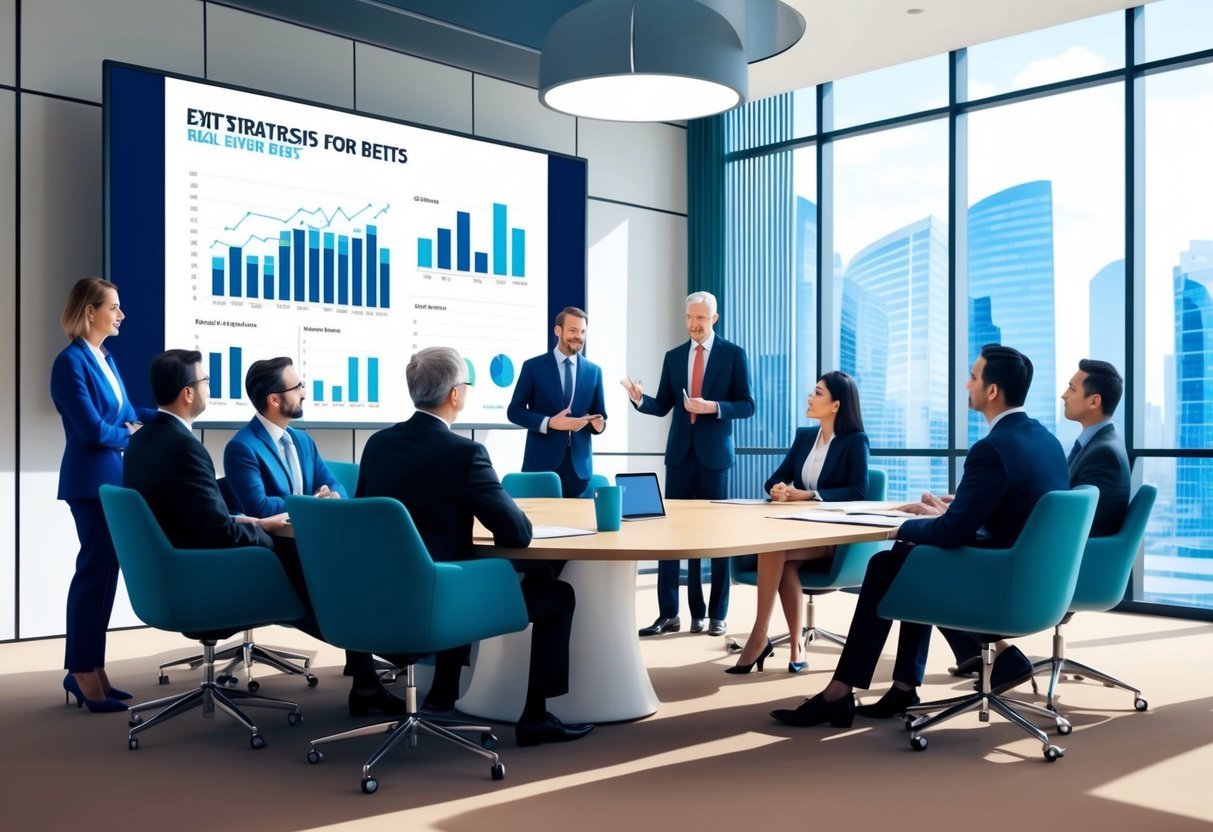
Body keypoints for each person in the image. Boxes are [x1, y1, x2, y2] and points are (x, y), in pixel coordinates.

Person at [769, 345, 1068, 727]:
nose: (967, 384)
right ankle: (903, 686)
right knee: (909, 558)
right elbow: (1017, 507)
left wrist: (898, 525)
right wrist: (953, 508)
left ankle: (840, 692)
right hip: (1034, 576)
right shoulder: (1044, 440)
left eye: (974, 377)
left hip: (1000, 580)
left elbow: (951, 533)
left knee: (892, 560)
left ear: (992, 392)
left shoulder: (992, 448)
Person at [125, 350, 402, 717]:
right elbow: (226, 521)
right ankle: (392, 653)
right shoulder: (195, 447)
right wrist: (266, 531)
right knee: (329, 576)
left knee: (329, 571)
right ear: (188, 393)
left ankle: (370, 661)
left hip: (180, 567)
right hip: (208, 573)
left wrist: (305, 506)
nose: (304, 392)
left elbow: (207, 518)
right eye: (206, 382)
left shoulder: (141, 441)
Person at [357, 346, 594, 747]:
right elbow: (516, 534)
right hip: (440, 605)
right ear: (455, 395)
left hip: (376, 601)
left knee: (455, 563)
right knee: (556, 594)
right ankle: (535, 718)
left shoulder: (377, 445)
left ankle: (444, 692)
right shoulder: (464, 453)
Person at [942, 358, 1132, 677]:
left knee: (938, 559)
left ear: (1094, 401)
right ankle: (977, 654)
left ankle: (994, 656)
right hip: (1066, 557)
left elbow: (1076, 524)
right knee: (942, 549)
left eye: (1072, 388)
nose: (1063, 395)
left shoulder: (1103, 454)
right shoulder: (1094, 445)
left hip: (1068, 566)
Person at [51, 277, 156, 712]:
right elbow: (93, 430)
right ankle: (79, 671)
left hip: (114, 483)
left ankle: (93, 668)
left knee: (105, 575)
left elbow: (127, 415)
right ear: (90, 311)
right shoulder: (69, 363)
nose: (121, 315)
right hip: (89, 484)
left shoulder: (105, 358)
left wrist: (168, 417)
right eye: (114, 307)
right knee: (93, 573)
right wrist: (131, 435)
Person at [623, 291, 754, 638]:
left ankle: (716, 615)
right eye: (689, 318)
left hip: (715, 460)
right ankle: (669, 614)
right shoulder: (674, 356)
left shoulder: (733, 354)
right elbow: (664, 404)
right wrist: (639, 400)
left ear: (714, 318)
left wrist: (711, 407)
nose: (694, 325)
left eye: (701, 318)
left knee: (716, 539)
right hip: (679, 457)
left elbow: (747, 404)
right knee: (672, 537)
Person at [729, 371, 869, 674]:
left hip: (832, 538)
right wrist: (777, 489)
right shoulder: (805, 437)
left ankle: (758, 638)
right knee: (781, 557)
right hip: (798, 531)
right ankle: (795, 645)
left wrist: (810, 494)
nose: (810, 396)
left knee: (775, 550)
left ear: (835, 405)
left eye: (818, 393)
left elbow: (858, 491)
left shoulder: (855, 442)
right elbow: (774, 478)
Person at [223, 356, 347, 517]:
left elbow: (334, 484)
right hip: (278, 540)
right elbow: (258, 507)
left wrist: (334, 495)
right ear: (274, 400)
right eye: (297, 388)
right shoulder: (242, 448)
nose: (303, 393)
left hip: (316, 533)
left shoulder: (304, 441)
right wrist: (314, 503)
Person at [508, 306, 606, 498]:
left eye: (582, 331)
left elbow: (601, 416)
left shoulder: (594, 371)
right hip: (541, 467)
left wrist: (598, 425)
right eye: (573, 330)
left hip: (579, 470)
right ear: (557, 330)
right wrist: (550, 422)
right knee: (542, 525)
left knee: (578, 526)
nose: (578, 336)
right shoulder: (533, 367)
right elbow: (514, 411)